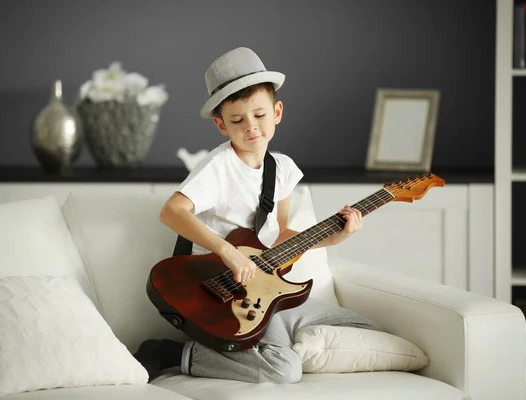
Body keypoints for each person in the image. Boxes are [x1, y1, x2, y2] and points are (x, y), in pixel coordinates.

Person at [134, 47, 382, 384]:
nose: (251, 127)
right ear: (221, 125)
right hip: (218, 291)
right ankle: (174, 353)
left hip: (262, 285)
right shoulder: (218, 168)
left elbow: (278, 235)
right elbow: (172, 211)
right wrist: (227, 251)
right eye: (237, 120)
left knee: (365, 329)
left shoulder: (282, 169)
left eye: (260, 115)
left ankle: (270, 337)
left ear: (277, 112)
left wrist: (335, 237)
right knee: (284, 370)